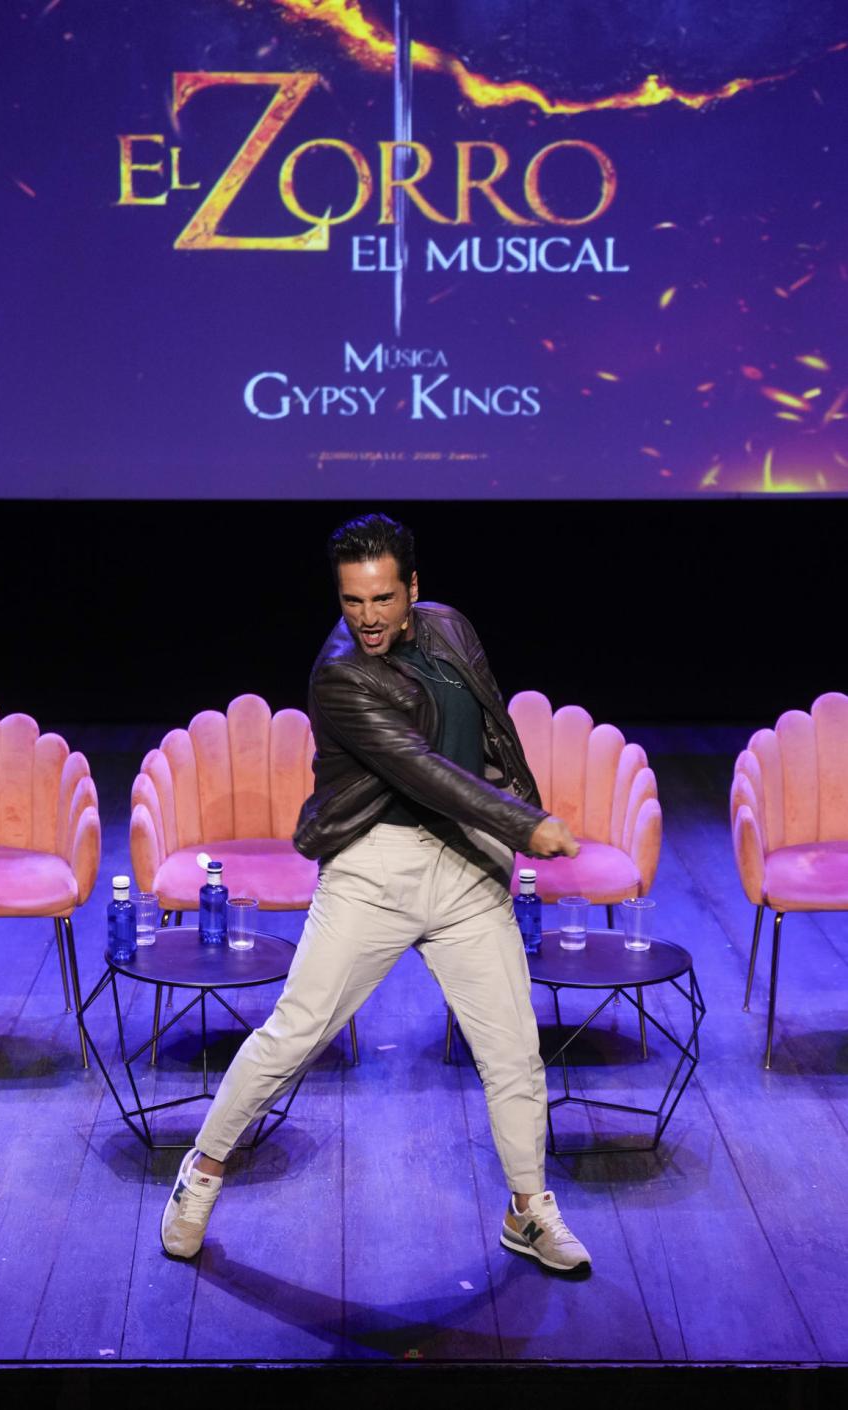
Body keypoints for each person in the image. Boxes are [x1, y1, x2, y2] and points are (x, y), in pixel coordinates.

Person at [162, 513, 591, 1272]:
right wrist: (527, 824)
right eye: (353, 601)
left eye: (383, 599)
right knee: (294, 1035)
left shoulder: (451, 629)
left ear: (413, 589)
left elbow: (493, 728)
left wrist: (512, 814)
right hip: (373, 871)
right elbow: (423, 769)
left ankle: (528, 1209)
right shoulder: (340, 677)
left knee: (514, 1051)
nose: (368, 617)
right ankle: (202, 1167)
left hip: (464, 868)